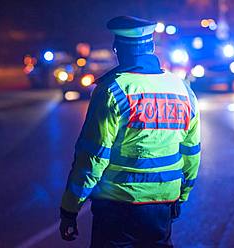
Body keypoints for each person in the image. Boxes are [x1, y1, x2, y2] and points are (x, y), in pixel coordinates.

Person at [59, 16, 201, 247]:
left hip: (116, 208)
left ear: (117, 49)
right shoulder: (183, 89)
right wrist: (181, 196)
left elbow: (93, 157)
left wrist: (70, 208)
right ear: (152, 47)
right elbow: (191, 152)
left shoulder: (112, 90)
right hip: (162, 205)